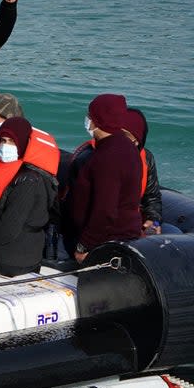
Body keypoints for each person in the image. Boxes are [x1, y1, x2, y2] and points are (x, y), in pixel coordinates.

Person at [69, 94, 143, 262]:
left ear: (97, 120)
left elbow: (105, 210)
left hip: (106, 240)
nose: (87, 119)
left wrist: (85, 245)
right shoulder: (124, 147)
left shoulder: (109, 157)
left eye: (90, 115)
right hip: (118, 234)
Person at [0, 118, 58, 276]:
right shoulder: (12, 171)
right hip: (12, 251)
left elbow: (9, 229)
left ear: (23, 143)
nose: (5, 146)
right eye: (2, 140)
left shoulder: (28, 180)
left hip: (14, 259)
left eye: (12, 142)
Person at [121, 107, 170, 235]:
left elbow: (152, 197)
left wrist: (152, 219)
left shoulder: (146, 158)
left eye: (125, 135)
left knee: (171, 232)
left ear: (138, 140)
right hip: (107, 225)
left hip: (132, 219)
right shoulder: (98, 155)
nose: (119, 139)